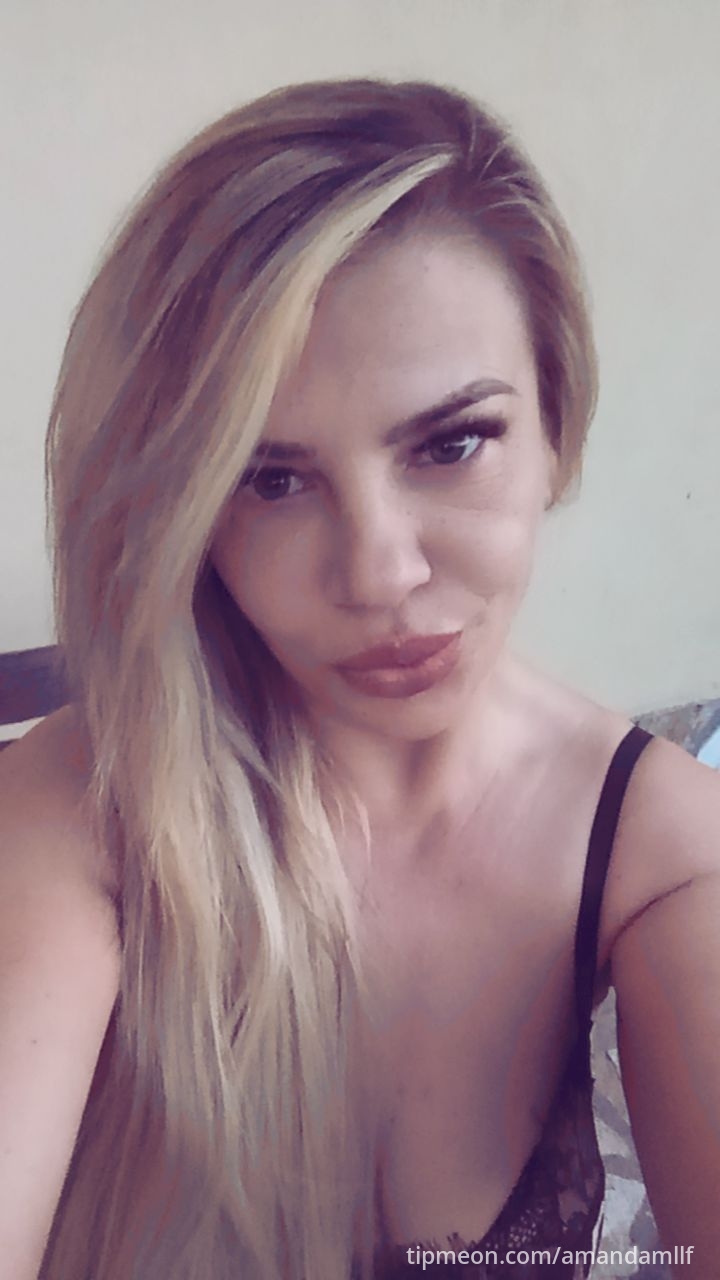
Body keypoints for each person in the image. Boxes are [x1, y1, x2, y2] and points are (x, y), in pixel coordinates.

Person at [0, 77, 718, 1280]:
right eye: (270, 478)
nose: (381, 572)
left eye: (452, 442)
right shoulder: (85, 799)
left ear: (556, 426)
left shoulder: (666, 853)